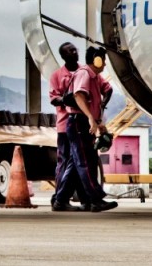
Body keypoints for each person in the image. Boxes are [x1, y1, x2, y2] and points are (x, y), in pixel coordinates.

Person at [62, 46, 118, 212]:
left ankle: (61, 199)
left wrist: (98, 119)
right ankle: (95, 200)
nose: (105, 64)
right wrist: (90, 118)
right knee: (86, 162)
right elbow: (79, 96)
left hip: (85, 122)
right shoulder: (84, 74)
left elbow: (107, 90)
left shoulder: (96, 77)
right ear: (96, 59)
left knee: (79, 162)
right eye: (103, 60)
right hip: (78, 122)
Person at [49, 42, 84, 212]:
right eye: (70, 51)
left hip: (83, 124)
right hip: (65, 125)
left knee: (80, 162)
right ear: (63, 56)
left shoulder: (84, 72)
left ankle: (78, 196)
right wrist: (65, 99)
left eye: (75, 49)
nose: (75, 52)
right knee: (64, 162)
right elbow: (53, 98)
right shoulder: (57, 76)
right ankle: (59, 196)